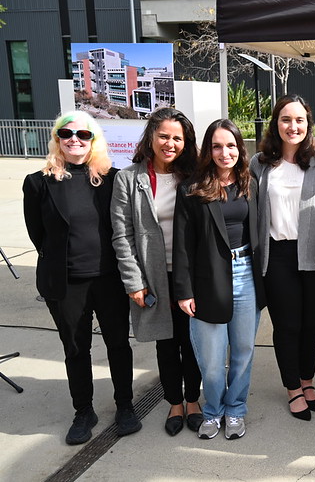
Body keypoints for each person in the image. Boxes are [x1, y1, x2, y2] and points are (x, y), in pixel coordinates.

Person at [22, 111, 141, 445]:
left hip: (109, 279)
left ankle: (125, 405)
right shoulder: (38, 182)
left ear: (94, 139)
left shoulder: (113, 179)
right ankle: (83, 411)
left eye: (83, 134)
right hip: (66, 282)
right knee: (76, 349)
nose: (74, 139)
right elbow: (38, 234)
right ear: (57, 138)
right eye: (67, 133)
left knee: (118, 344)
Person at [111, 108, 203, 436]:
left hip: (190, 276)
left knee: (192, 341)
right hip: (153, 276)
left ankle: (193, 400)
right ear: (151, 136)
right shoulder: (128, 178)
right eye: (164, 136)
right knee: (166, 342)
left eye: (177, 138)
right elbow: (121, 235)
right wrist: (133, 281)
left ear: (186, 142)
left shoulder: (194, 177)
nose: (170, 143)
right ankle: (174, 403)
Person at [172, 119, 265, 440]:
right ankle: (212, 411)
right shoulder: (192, 189)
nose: (225, 152)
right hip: (207, 280)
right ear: (207, 150)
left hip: (246, 277)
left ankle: (236, 409)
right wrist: (183, 290)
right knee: (211, 361)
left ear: (240, 149)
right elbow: (182, 245)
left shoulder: (250, 183)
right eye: (217, 146)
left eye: (231, 146)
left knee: (242, 352)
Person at [250, 95, 315, 421]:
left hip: (314, 254)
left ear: (308, 124)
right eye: (286, 119)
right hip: (278, 254)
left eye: (299, 120)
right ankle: (292, 387)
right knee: (287, 324)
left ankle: (307, 379)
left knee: (312, 323)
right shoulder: (259, 163)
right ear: (276, 123)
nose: (293, 126)